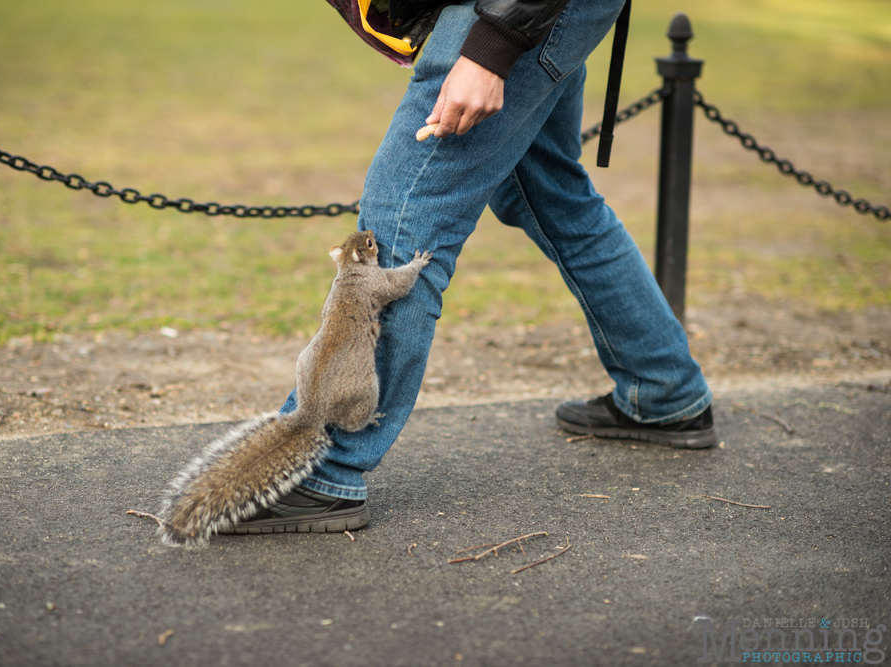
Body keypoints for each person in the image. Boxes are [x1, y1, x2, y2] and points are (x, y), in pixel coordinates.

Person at [226, 0, 715, 532]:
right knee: (549, 192)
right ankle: (664, 386)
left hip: (509, 13)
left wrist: (491, 47)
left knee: (401, 226)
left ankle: (321, 469)